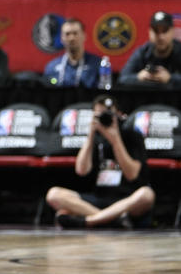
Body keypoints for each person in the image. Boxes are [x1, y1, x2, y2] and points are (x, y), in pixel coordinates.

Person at [45, 95, 155, 229]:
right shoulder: (96, 139)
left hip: (126, 198)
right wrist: (90, 135)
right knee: (54, 194)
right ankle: (111, 220)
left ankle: (90, 221)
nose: (104, 119)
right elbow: (81, 170)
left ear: (119, 115)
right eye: (99, 115)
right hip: (99, 197)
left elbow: (132, 175)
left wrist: (115, 140)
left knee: (146, 195)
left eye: (108, 114)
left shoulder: (132, 136)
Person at [117, 11, 181, 89]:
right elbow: (122, 79)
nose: (160, 36)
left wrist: (170, 78)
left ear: (173, 31)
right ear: (149, 32)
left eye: (165, 31)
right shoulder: (142, 52)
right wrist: (139, 77)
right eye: (156, 31)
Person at [41, 18, 100, 89]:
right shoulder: (51, 67)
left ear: (84, 36)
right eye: (67, 34)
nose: (71, 38)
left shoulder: (97, 64)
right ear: (61, 38)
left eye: (75, 33)